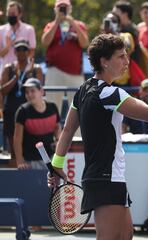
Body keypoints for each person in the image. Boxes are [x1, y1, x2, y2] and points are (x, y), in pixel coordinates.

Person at [47, 34, 148, 240]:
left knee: (126, 236)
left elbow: (67, 132)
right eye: (120, 57)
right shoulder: (110, 93)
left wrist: (57, 165)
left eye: (126, 56)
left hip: (108, 177)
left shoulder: (82, 91)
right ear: (104, 61)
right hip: (105, 177)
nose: (126, 62)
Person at [1, 39, 42, 168]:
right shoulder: (9, 68)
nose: (21, 52)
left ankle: (30, 181)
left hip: (30, 114)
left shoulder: (36, 68)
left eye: (24, 49)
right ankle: (14, 183)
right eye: (18, 49)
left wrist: (28, 74)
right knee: (13, 150)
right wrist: (16, 78)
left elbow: (38, 89)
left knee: (31, 150)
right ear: (15, 52)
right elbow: (2, 90)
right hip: (11, 113)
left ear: (28, 51)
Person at [41, 0, 88, 109]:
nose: (63, 9)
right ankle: (53, 126)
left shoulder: (79, 25)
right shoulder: (50, 25)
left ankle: (77, 127)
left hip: (75, 72)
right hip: (54, 71)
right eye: (60, 7)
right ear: (55, 10)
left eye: (65, 7)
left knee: (78, 107)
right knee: (52, 106)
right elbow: (44, 42)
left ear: (70, 9)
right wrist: (56, 22)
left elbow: (85, 43)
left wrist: (73, 24)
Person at [14, 78, 61, 170]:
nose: (29, 94)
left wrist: (58, 141)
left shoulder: (52, 107)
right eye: (27, 92)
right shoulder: (22, 111)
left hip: (52, 159)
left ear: (41, 92)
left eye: (32, 91)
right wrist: (20, 161)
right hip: (30, 162)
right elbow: (17, 139)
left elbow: (57, 127)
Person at [0, 1, 36, 74]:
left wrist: (23, 65)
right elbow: (1, 54)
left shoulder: (29, 29)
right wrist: (8, 46)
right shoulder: (1, 30)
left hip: (24, 71)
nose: (10, 16)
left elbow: (32, 52)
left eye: (13, 13)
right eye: (8, 13)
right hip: (5, 72)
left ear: (20, 14)